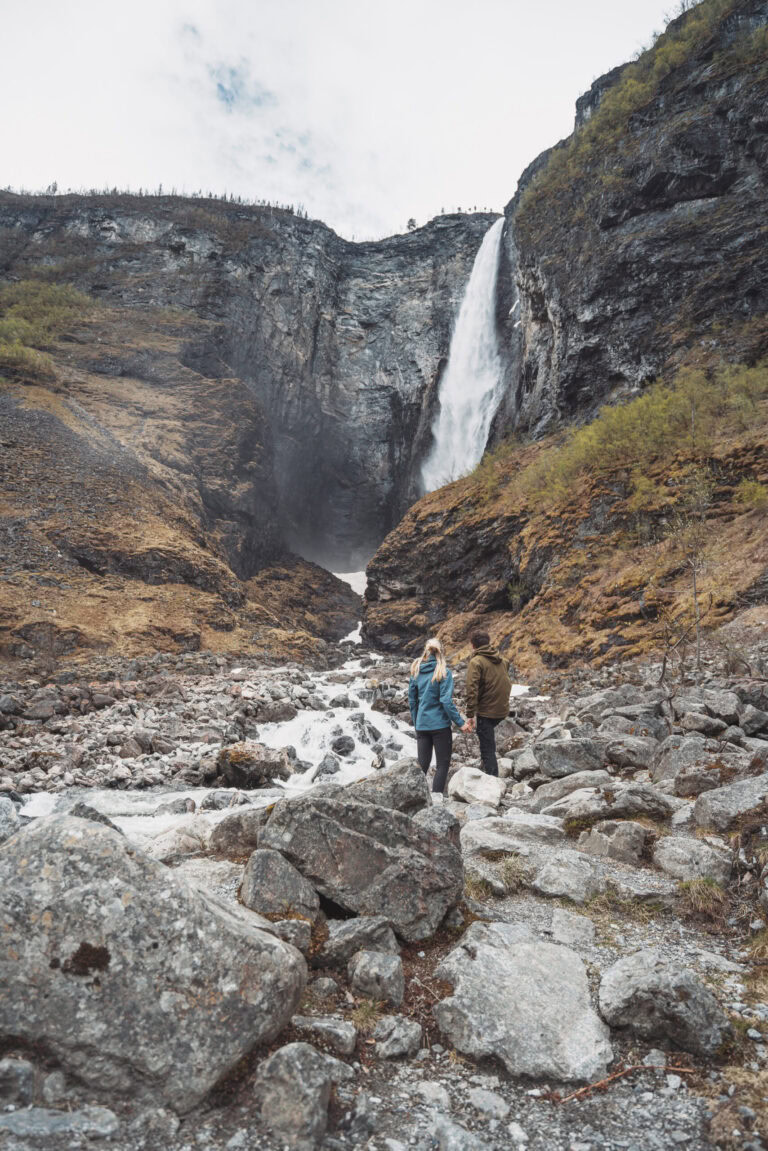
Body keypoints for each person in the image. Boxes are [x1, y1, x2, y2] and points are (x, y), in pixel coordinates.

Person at [408, 637, 470, 802]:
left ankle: (415, 799)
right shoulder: (444, 672)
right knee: (442, 764)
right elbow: (445, 701)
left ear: (426, 651)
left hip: (422, 725)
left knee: (423, 765)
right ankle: (436, 799)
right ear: (440, 652)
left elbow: (412, 701)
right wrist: (461, 723)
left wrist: (417, 722)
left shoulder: (416, 671)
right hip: (440, 726)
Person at [464, 630, 512, 777]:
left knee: (487, 748)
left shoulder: (476, 661)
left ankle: (492, 780)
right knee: (488, 741)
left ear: (473, 645)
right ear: (488, 642)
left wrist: (470, 714)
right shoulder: (501, 660)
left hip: (487, 711)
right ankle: (488, 770)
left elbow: (471, 689)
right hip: (502, 709)